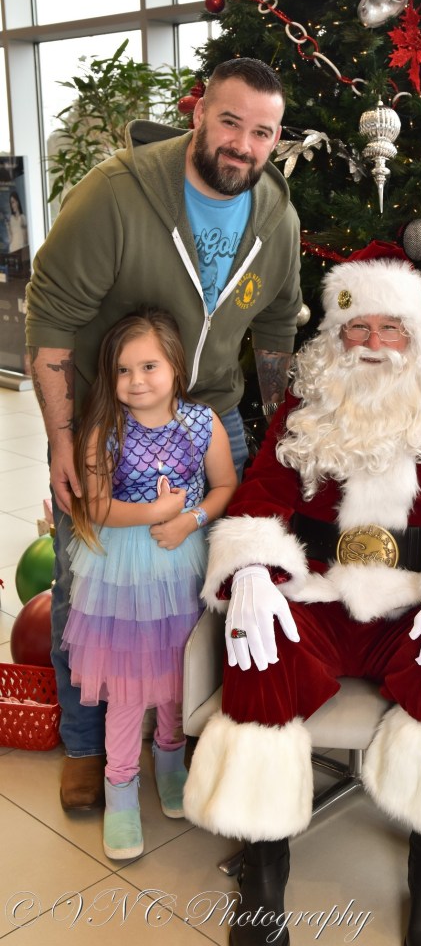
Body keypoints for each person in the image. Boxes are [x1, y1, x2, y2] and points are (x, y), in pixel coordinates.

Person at [183, 249, 421, 946]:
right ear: (335, 337)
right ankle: (263, 867)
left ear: (417, 335)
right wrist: (249, 570)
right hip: (317, 592)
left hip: (414, 601)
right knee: (256, 656)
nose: (374, 343)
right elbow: (260, 493)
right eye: (358, 327)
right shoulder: (305, 408)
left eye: (391, 327)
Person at [25, 56, 302, 811]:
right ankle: (86, 745)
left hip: (211, 418)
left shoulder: (276, 216)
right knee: (86, 590)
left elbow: (278, 324)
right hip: (108, 420)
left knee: (214, 584)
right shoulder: (117, 195)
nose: (243, 144)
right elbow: (50, 317)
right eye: (230, 121)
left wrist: (275, 429)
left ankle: (184, 731)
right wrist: (62, 438)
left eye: (263, 132)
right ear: (198, 113)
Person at [62, 307, 237, 859]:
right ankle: (120, 789)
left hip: (185, 561)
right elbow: (95, 507)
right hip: (125, 572)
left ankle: (169, 761)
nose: (135, 381)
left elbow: (224, 485)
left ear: (176, 366)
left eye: (148, 367)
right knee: (128, 687)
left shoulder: (201, 423)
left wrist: (189, 519)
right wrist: (155, 512)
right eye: (123, 370)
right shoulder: (105, 429)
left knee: (180, 672)